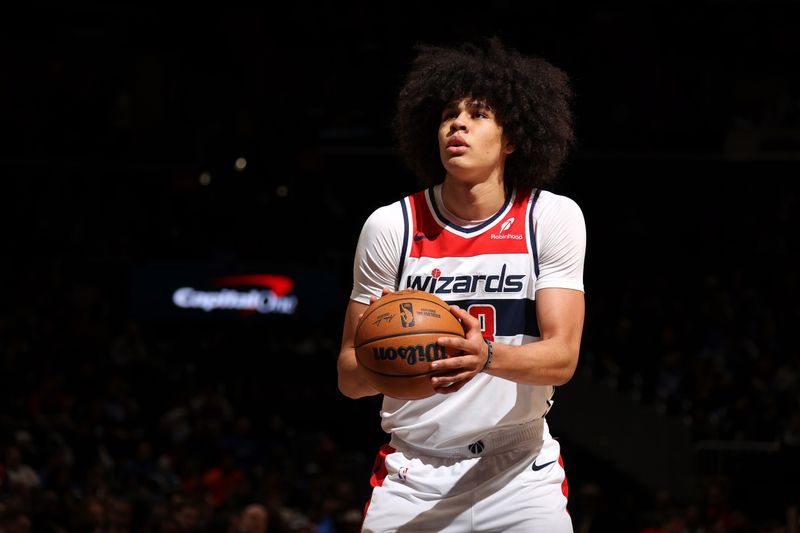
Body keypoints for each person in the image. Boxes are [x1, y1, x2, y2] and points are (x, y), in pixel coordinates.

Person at [337, 37, 585, 532]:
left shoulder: (550, 217)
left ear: (511, 139)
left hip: (518, 469)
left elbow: (563, 358)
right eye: (450, 114)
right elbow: (348, 374)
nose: (458, 124)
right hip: (414, 471)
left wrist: (485, 357)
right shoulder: (392, 226)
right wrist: (395, 363)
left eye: (479, 115)